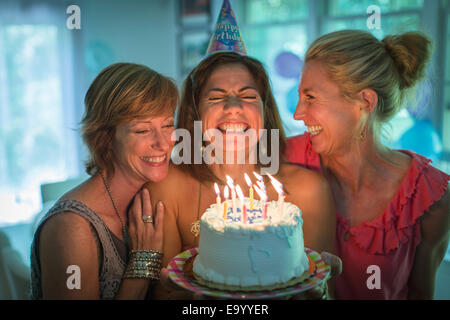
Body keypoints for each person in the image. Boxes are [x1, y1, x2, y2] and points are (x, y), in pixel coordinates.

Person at [146, 51, 337, 299]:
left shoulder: (310, 191)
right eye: (216, 98)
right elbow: (164, 293)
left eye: (248, 96)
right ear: (196, 114)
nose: (233, 107)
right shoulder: (167, 188)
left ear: (265, 112)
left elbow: (322, 291)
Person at [287, 30, 450, 299]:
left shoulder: (431, 197)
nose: (297, 113)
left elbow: (420, 293)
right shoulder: (286, 157)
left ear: (365, 102)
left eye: (311, 98)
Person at [30, 63, 178, 299]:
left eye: (168, 125)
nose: (163, 143)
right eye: (142, 131)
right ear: (105, 139)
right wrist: (143, 261)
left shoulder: (150, 197)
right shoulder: (71, 227)